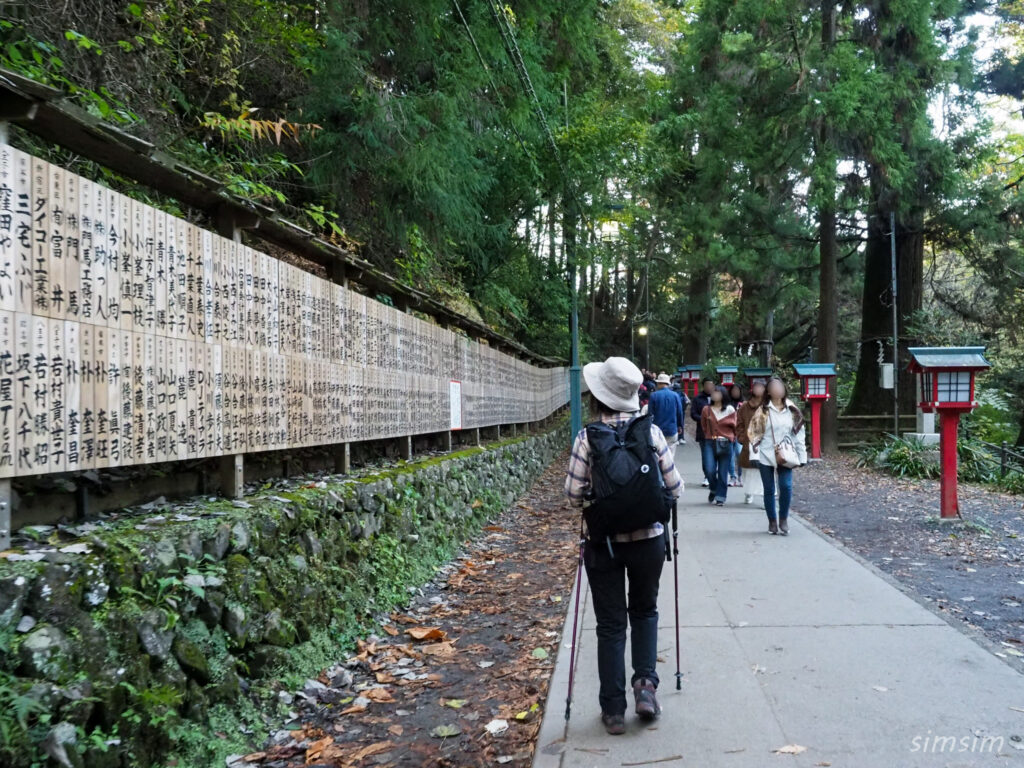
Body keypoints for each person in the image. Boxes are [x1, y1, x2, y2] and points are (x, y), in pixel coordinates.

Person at [564, 357, 683, 735]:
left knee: (611, 625)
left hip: (605, 545)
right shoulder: (650, 435)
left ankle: (613, 709)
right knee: (645, 611)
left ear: (599, 397)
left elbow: (572, 494)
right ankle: (645, 688)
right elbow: (676, 488)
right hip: (649, 541)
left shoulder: (588, 437)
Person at [748, 377, 808, 535]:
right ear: (768, 391)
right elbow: (753, 434)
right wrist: (754, 453)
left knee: (786, 486)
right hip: (766, 453)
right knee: (769, 489)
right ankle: (772, 521)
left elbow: (799, 433)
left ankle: (784, 518)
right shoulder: (763, 410)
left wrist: (802, 456)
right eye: (774, 387)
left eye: (780, 386)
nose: (777, 390)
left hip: (786, 453)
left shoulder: (792, 409)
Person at [700, 386, 737, 505]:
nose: (714, 395)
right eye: (713, 393)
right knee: (709, 469)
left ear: (723, 395)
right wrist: (709, 435)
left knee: (723, 471)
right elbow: (704, 425)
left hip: (726, 443)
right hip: (710, 442)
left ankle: (721, 496)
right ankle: (714, 488)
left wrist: (731, 438)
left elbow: (735, 426)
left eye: (717, 393)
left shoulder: (730, 409)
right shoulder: (707, 409)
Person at [735, 380, 766, 505]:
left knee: (764, 471)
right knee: (749, 470)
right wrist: (742, 438)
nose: (758, 389)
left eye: (761, 387)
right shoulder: (745, 406)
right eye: (756, 387)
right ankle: (748, 493)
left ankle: (766, 497)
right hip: (749, 443)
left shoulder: (769, 405)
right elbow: (739, 424)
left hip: (765, 443)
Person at [689, 378, 716, 487]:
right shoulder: (697, 399)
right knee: (706, 456)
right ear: (703, 386)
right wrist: (703, 419)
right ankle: (707, 476)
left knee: (717, 455)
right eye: (707, 385)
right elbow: (693, 413)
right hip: (703, 432)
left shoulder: (719, 397)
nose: (709, 387)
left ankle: (716, 475)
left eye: (711, 385)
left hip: (718, 431)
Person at [648, 373, 685, 448]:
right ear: (668, 384)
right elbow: (680, 413)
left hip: (657, 431)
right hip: (672, 429)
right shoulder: (675, 395)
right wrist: (680, 426)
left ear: (658, 383)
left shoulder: (653, 396)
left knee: (658, 455)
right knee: (670, 455)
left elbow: (650, 414)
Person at [726, 383, 745, 486]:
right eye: (733, 390)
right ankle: (733, 476)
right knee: (730, 455)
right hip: (728, 432)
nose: (735, 392)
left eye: (737, 390)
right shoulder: (727, 404)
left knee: (739, 453)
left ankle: (741, 475)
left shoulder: (744, 403)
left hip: (740, 433)